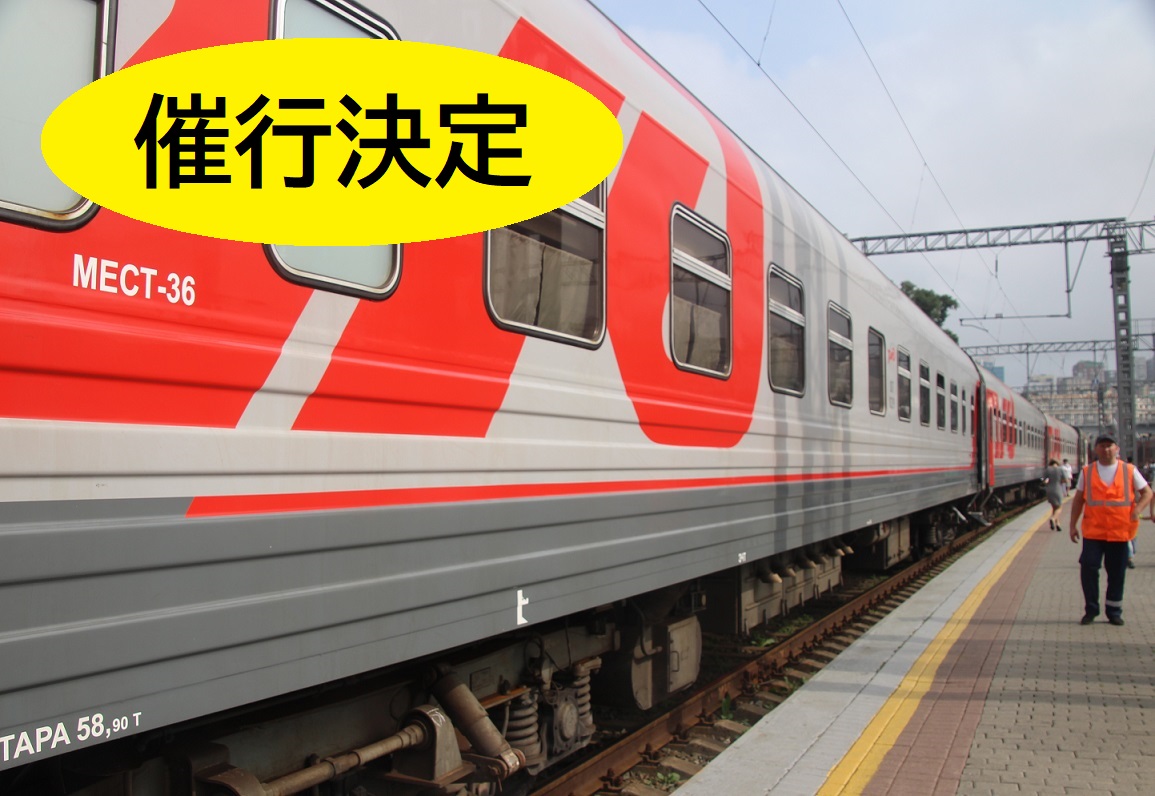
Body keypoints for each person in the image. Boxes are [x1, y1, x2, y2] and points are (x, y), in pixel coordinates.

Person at [1069, 434, 1152, 626]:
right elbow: (1078, 500)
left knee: (1116, 573)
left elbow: (1147, 492)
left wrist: (1138, 510)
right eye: (1102, 446)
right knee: (1088, 568)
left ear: (1117, 449)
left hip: (1120, 531)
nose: (1106, 449)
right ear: (1096, 449)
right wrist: (1072, 525)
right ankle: (1091, 610)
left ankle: (1114, 611)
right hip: (1093, 532)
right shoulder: (1087, 472)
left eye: (1109, 446)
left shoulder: (1129, 470)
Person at [1042, 458, 1065, 531]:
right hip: (1057, 489)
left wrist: (1047, 483)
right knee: (1059, 507)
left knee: (1054, 507)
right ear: (1057, 463)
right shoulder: (1060, 469)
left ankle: (1057, 524)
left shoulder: (1047, 469)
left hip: (1049, 490)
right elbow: (1065, 480)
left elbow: (1044, 481)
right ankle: (1053, 518)